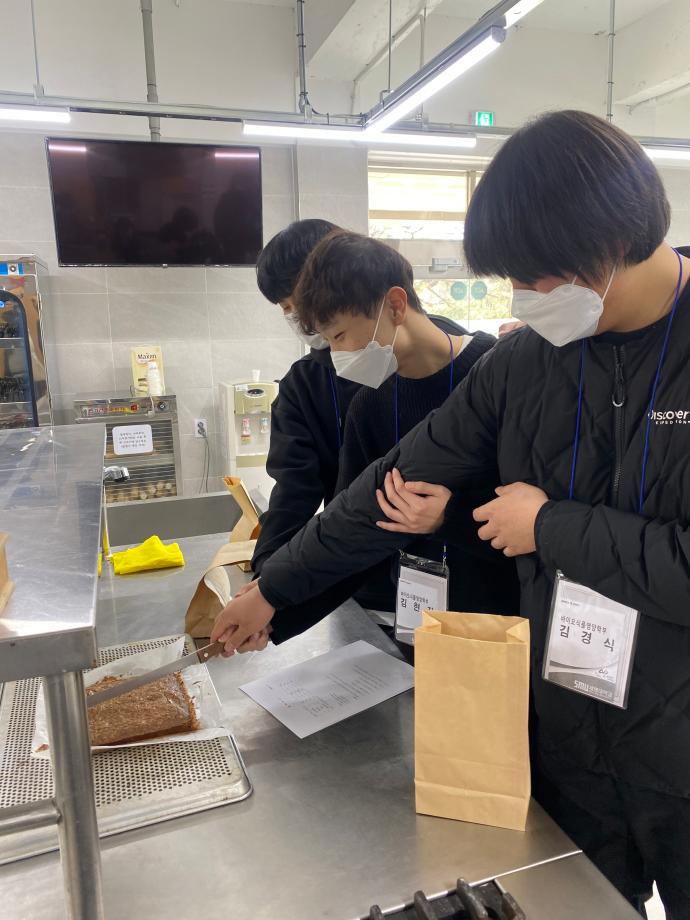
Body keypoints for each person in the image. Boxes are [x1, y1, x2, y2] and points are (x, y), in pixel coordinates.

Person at [213, 111, 690, 918]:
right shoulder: (526, 363)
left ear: (612, 241)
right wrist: (273, 589)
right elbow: (384, 486)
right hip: (568, 741)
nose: (525, 300)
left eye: (537, 277)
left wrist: (549, 527)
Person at [251, 219, 466, 585]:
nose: (300, 317)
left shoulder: (469, 362)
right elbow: (296, 494)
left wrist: (453, 516)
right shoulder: (311, 387)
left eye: (299, 301)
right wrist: (269, 581)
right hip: (360, 574)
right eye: (288, 309)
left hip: (463, 575)